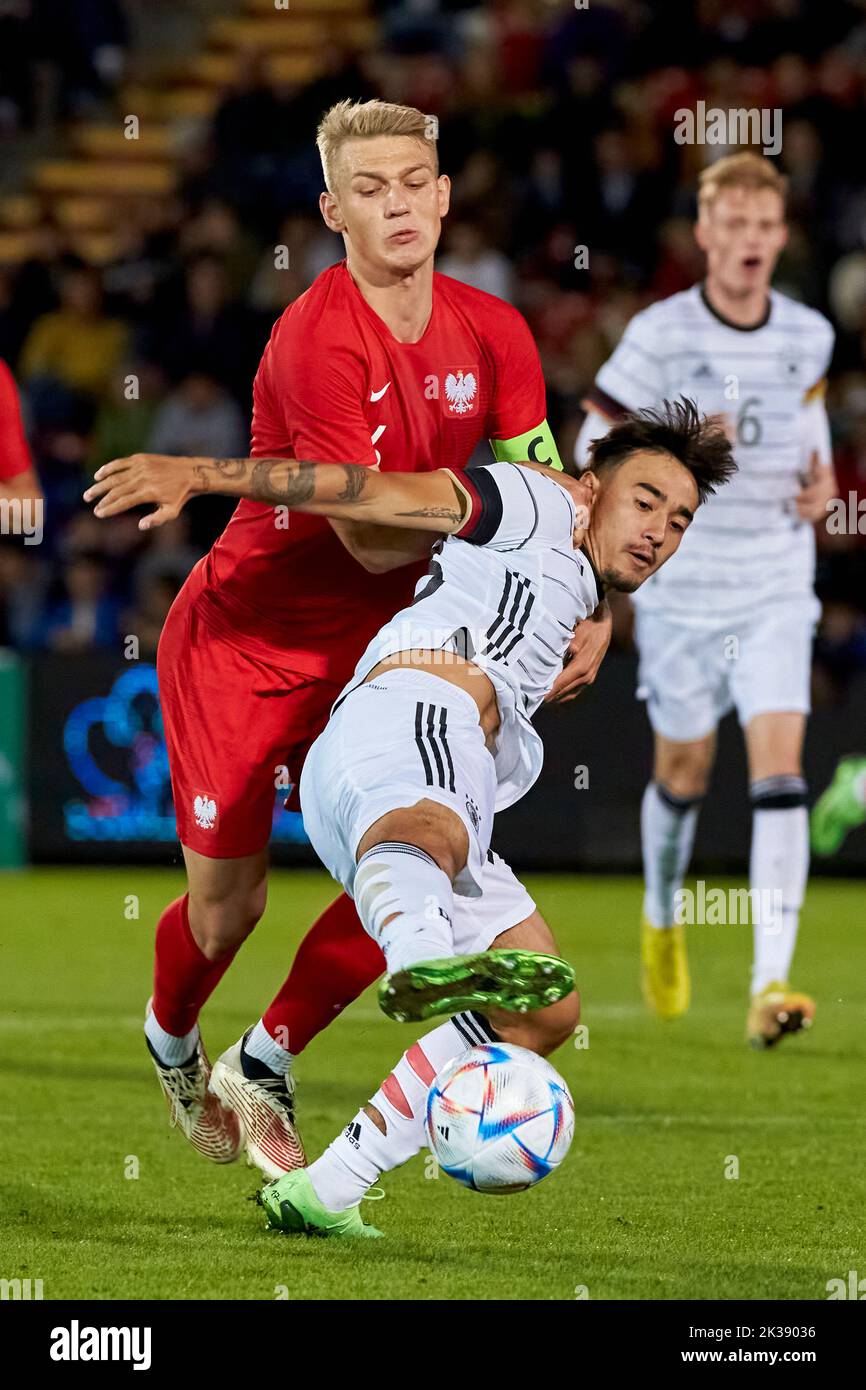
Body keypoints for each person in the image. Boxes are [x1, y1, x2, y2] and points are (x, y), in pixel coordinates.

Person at [84, 97, 612, 1178]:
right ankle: (172, 1037)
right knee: (228, 909)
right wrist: (484, 508)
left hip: (393, 652)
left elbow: (556, 500)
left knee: (411, 852)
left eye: (413, 182)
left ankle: (265, 1059)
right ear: (332, 210)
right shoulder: (312, 341)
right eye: (369, 190)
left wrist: (593, 602)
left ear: (444, 193)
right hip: (246, 640)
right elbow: (372, 541)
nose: (397, 204)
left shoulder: (496, 332)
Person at [88, 396, 736, 1236]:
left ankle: (328, 1189)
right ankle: (421, 956)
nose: (658, 531)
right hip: (410, 722)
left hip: (428, 773)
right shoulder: (532, 501)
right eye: (645, 501)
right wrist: (202, 474)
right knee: (431, 837)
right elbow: (366, 491)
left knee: (546, 1011)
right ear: (588, 488)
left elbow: (576, 585)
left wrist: (601, 613)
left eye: (679, 521)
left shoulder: (578, 583)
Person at [576, 153, 836, 1048]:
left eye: (766, 228)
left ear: (781, 237)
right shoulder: (660, 334)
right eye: (734, 226)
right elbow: (590, 435)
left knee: (780, 772)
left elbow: (809, 420)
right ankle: (660, 912)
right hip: (686, 588)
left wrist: (823, 478)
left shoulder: (808, 332)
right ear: (705, 235)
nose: (751, 242)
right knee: (682, 775)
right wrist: (677, 446)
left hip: (774, 580)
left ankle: (772, 979)